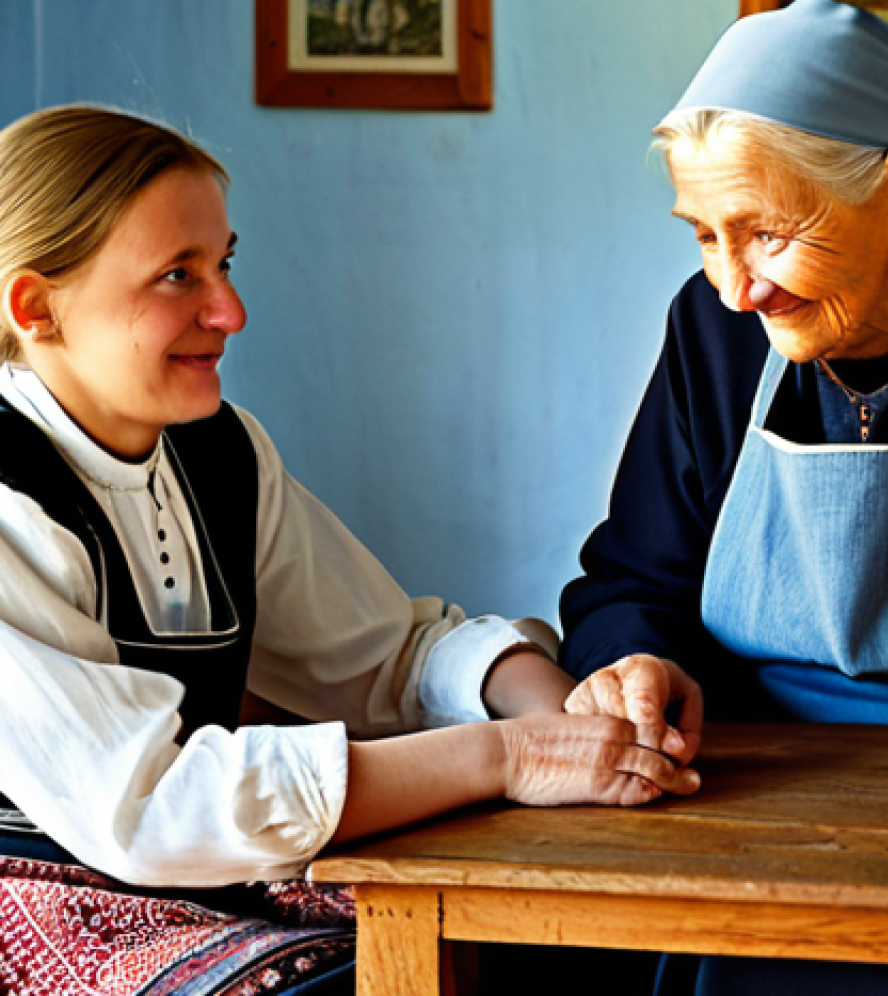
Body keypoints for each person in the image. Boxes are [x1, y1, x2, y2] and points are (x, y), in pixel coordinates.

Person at [0, 105, 697, 996]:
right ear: (36, 307)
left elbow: (386, 654)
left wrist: (575, 720)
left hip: (208, 886)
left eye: (224, 264)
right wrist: (510, 756)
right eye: (177, 276)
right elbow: (150, 808)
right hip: (43, 908)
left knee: (577, 953)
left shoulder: (221, 453)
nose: (231, 311)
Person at [559, 0, 888, 996]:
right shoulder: (714, 331)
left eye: (767, 232)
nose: (735, 286)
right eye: (702, 236)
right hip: (748, 806)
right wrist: (634, 658)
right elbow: (628, 578)